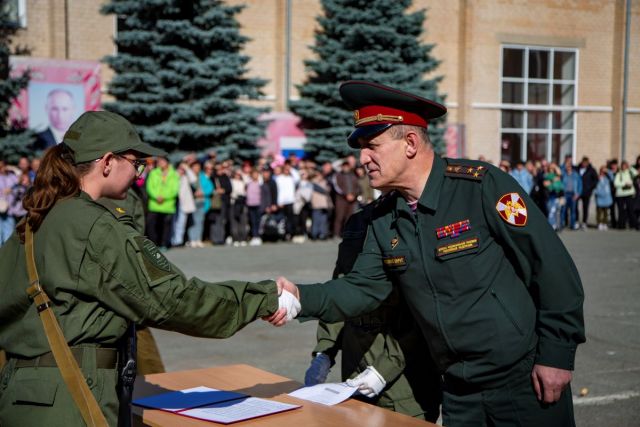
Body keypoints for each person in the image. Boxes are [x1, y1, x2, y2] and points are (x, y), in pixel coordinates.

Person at [269, 81, 585, 427]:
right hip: (458, 391)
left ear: (410, 143)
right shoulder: (383, 218)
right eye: (361, 148)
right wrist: (301, 297)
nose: (362, 158)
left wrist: (557, 355)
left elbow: (552, 268)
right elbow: (361, 288)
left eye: (372, 146)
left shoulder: (481, 187)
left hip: (524, 381)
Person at [0, 111, 287, 426]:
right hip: (70, 398)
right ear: (107, 162)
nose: (139, 174)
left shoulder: (32, 222)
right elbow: (171, 299)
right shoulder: (94, 225)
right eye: (136, 163)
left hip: (19, 395)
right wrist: (264, 297)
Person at [305, 202, 441, 421]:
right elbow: (341, 291)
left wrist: (383, 369)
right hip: (354, 378)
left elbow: (424, 312)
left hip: (404, 386)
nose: (367, 165)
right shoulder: (358, 222)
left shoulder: (419, 219)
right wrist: (325, 351)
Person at [577, 156, 598, 229]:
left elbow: (595, 180)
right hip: (578, 191)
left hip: (587, 192)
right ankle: (576, 221)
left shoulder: (591, 170)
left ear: (588, 163)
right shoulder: (577, 168)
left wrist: (590, 188)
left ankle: (584, 222)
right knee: (576, 207)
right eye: (583, 162)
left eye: (586, 163)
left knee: (585, 207)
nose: (584, 164)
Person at [594, 166, 613, 231]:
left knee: (605, 212)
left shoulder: (607, 178)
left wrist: (607, 170)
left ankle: (605, 223)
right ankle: (599, 223)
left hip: (606, 198)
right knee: (599, 212)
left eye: (603, 171)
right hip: (599, 197)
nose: (602, 173)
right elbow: (594, 187)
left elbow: (612, 177)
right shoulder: (597, 178)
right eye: (601, 171)